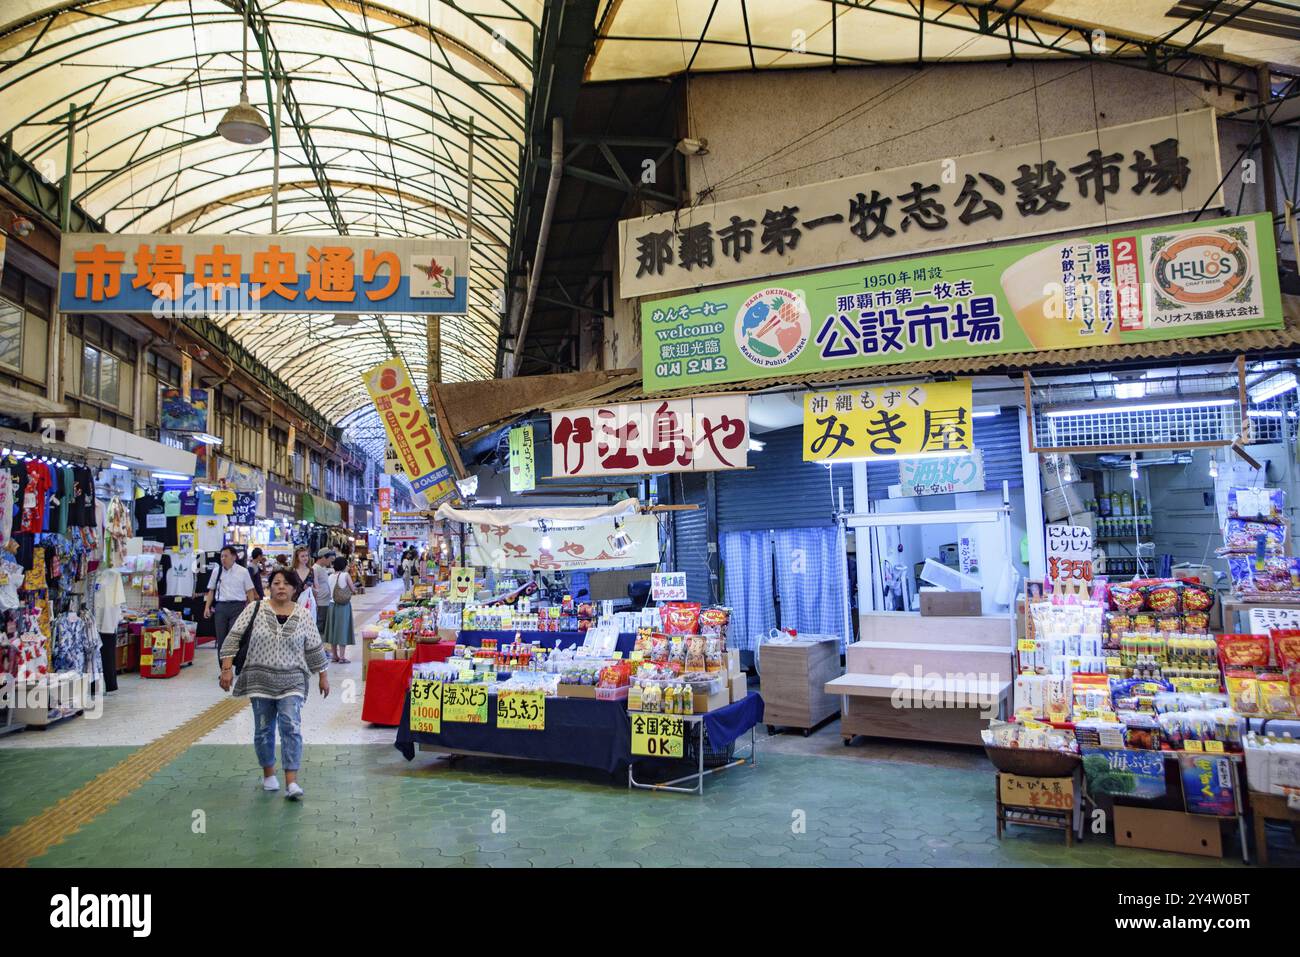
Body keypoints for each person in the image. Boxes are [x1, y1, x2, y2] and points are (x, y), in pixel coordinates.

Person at [219, 568, 328, 801]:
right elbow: (233, 638)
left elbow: (315, 647)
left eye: (286, 584)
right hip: (260, 681)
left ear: (294, 589)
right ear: (270, 587)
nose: (281, 587)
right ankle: (268, 772)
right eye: (276, 583)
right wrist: (226, 669)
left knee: (291, 726)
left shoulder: (304, 615)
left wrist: (323, 676)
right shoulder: (254, 609)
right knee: (263, 729)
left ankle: (292, 782)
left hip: (293, 680)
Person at [203, 545, 257, 668]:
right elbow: (211, 590)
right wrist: (207, 607)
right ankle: (224, 668)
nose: (223, 558)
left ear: (233, 557)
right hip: (221, 608)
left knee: (235, 638)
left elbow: (250, 591)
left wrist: (252, 608)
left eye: (226, 556)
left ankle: (238, 663)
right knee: (221, 639)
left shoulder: (243, 571)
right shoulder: (217, 571)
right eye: (221, 556)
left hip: (238, 608)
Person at [324, 556, 356, 663]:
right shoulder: (345, 575)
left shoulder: (329, 577)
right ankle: (342, 657)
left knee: (333, 630)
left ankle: (334, 656)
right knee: (342, 630)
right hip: (343, 606)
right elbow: (353, 589)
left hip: (332, 605)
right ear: (344, 565)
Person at [309, 549, 334, 654]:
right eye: (329, 559)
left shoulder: (322, 568)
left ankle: (322, 648)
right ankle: (319, 649)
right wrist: (316, 601)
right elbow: (314, 586)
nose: (330, 562)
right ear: (324, 557)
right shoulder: (315, 569)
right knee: (320, 625)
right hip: (320, 601)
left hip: (325, 601)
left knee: (323, 625)